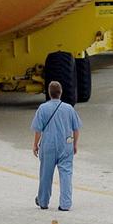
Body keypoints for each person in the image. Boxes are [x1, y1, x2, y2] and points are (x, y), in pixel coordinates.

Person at [31, 81, 82, 211]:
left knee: (46, 174)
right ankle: (65, 203)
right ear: (61, 93)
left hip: (48, 145)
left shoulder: (43, 108)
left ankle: (43, 201)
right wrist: (74, 144)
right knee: (66, 174)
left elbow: (38, 130)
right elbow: (76, 129)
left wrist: (35, 145)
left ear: (49, 93)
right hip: (65, 145)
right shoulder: (69, 108)